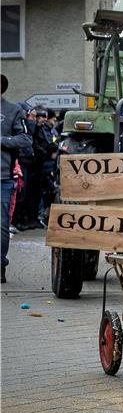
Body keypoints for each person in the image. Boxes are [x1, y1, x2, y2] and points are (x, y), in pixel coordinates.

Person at [1, 76, 32, 284]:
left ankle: (0, 264)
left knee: (1, 224)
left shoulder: (13, 111)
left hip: (2, 177)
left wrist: (1, 141)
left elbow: (25, 139)